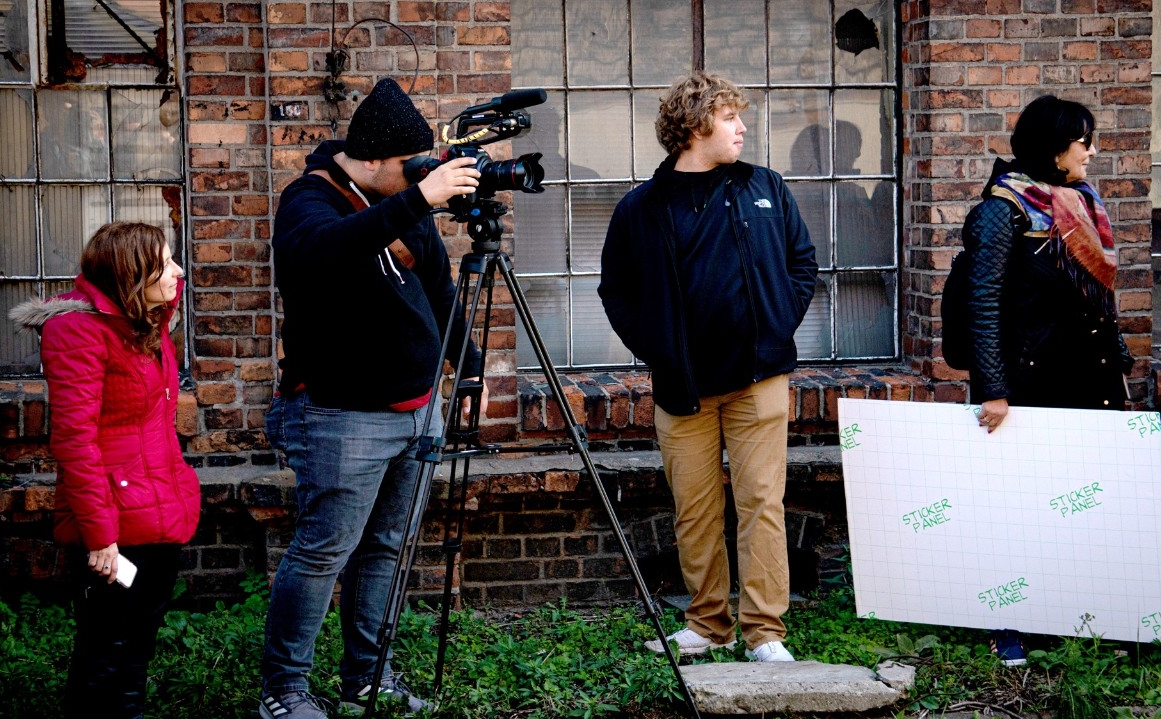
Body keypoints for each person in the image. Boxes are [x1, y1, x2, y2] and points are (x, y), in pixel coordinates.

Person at [259, 78, 487, 719]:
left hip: (418, 408)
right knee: (323, 552)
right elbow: (319, 252)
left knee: (386, 547)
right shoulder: (309, 200)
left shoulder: (401, 202)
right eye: (407, 166)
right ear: (370, 160)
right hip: (342, 414)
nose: (418, 174)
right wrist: (418, 197)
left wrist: (469, 370)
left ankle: (366, 677)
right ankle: (283, 691)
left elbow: (440, 289)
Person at [599, 72, 818, 663]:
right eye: (729, 117)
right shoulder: (642, 207)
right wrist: (658, 349)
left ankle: (764, 633)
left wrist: (777, 323)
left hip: (759, 378)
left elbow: (802, 262)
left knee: (761, 505)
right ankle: (707, 623)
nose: (742, 127)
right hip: (684, 386)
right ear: (696, 126)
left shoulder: (765, 186)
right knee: (695, 511)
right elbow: (615, 290)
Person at [963, 94, 1133, 665]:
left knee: (1085, 503)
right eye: (1084, 140)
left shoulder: (1084, 203)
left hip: (1089, 380)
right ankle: (1009, 625)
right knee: (1020, 507)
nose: (1092, 151)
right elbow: (982, 302)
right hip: (1028, 385)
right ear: (1054, 148)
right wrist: (993, 389)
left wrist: (1119, 362)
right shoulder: (1004, 209)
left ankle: (1082, 617)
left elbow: (1100, 300)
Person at [10, 221, 200, 719]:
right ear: (133, 276)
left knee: (137, 643)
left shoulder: (142, 327)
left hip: (158, 504)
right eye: (165, 263)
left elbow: (165, 299)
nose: (178, 271)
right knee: (107, 648)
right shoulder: (78, 332)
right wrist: (101, 537)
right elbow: (75, 442)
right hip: (115, 518)